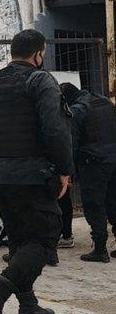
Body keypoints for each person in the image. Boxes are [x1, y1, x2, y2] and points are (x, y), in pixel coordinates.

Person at [0, 29, 72, 314]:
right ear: (38, 54)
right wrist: (65, 169)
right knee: (45, 236)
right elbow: (55, 129)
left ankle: (28, 305)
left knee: (19, 236)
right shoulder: (39, 79)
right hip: (30, 172)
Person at [61, 82, 116, 262]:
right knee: (113, 200)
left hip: (94, 162)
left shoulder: (77, 110)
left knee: (94, 204)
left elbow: (72, 143)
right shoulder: (104, 101)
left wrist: (67, 170)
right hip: (113, 158)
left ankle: (100, 249)